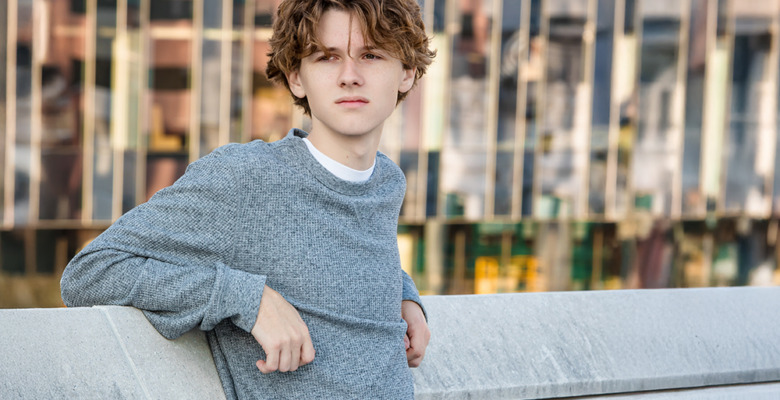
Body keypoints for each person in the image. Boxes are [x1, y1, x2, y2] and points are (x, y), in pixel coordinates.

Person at [60, 0, 436, 398]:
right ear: (296, 78)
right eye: (327, 57)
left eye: (371, 55)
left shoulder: (386, 179)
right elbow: (89, 273)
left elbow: (330, 252)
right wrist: (246, 298)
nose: (349, 76)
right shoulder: (247, 176)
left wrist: (402, 291)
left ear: (407, 73)